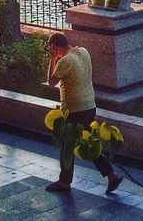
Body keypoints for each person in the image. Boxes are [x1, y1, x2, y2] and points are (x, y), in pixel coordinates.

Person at [45, 33, 121, 195]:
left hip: (74, 109)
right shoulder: (83, 52)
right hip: (89, 106)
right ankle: (112, 175)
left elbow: (51, 83)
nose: (50, 51)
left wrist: (52, 58)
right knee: (86, 143)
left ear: (56, 47)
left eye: (50, 48)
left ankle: (65, 182)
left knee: (67, 146)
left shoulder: (64, 61)